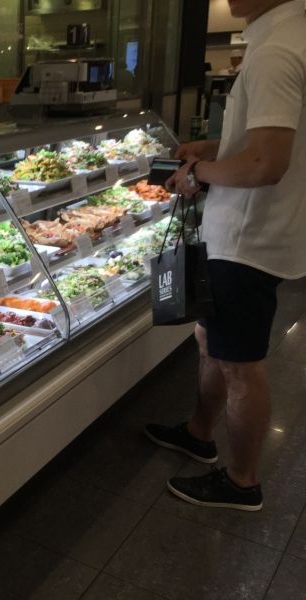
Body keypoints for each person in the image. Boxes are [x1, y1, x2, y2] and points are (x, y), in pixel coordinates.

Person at [146, 0, 306, 511]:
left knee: (241, 365)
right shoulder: (288, 38)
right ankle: (198, 432)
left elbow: (266, 163)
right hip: (253, 232)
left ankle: (242, 481)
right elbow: (259, 141)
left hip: (247, 237)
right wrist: (213, 147)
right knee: (209, 337)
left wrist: (196, 175)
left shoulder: (276, 51)